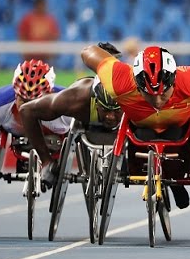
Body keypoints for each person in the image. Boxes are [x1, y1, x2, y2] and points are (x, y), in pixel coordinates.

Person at [81, 44, 190, 209]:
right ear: (137, 83)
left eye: (163, 93)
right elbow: (87, 52)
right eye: (148, 94)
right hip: (139, 129)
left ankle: (175, 180)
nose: (157, 101)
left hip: (177, 128)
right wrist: (108, 58)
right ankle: (135, 164)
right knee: (149, 132)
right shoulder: (121, 79)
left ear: (173, 82)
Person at [19, 57, 124, 188]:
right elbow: (26, 111)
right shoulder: (76, 100)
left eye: (116, 111)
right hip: (84, 106)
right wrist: (46, 161)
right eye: (105, 109)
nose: (110, 116)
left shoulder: (137, 101)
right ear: (96, 102)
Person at [0, 59, 72, 191]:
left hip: (56, 139)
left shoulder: (66, 103)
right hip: (20, 138)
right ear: (15, 94)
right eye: (23, 100)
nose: (28, 109)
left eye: (35, 102)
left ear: (49, 95)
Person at [17, 0, 60, 64]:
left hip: (46, 60)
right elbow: (22, 37)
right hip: (30, 60)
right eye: (40, 4)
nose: (42, 6)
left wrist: (49, 52)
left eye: (43, 3)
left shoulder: (50, 20)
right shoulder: (27, 19)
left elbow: (54, 38)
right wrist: (26, 53)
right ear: (36, 4)